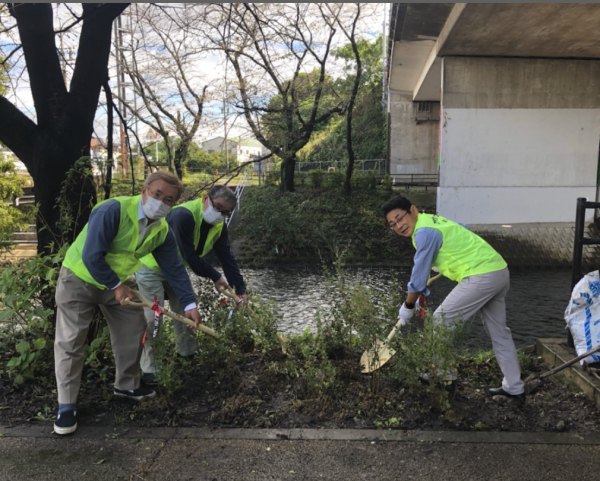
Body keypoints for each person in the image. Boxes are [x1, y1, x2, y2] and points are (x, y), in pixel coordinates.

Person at [53, 171, 202, 435]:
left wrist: (189, 304)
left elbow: (175, 269)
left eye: (169, 200)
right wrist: (116, 286)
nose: (161, 202)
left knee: (134, 328)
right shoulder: (113, 210)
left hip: (118, 282)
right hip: (79, 278)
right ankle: (66, 405)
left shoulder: (162, 231)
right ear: (144, 191)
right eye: (157, 195)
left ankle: (127, 384)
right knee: (71, 341)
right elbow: (91, 255)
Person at [382, 195, 525, 403]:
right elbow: (463, 228)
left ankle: (445, 378)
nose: (399, 226)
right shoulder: (432, 220)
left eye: (400, 218)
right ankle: (514, 387)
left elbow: (417, 278)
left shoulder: (423, 233)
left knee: (440, 321)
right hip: (499, 270)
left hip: (481, 275)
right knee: (499, 332)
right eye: (393, 224)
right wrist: (441, 262)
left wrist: (408, 306)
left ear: (413, 210)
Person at [135, 185, 248, 385]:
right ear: (206, 198)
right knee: (154, 316)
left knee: (188, 311)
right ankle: (150, 370)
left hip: (177, 272)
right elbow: (191, 257)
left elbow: (227, 257)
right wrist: (215, 276)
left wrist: (240, 290)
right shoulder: (183, 216)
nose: (220, 215)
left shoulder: (218, 225)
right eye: (218, 207)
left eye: (226, 213)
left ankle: (187, 355)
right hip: (152, 267)